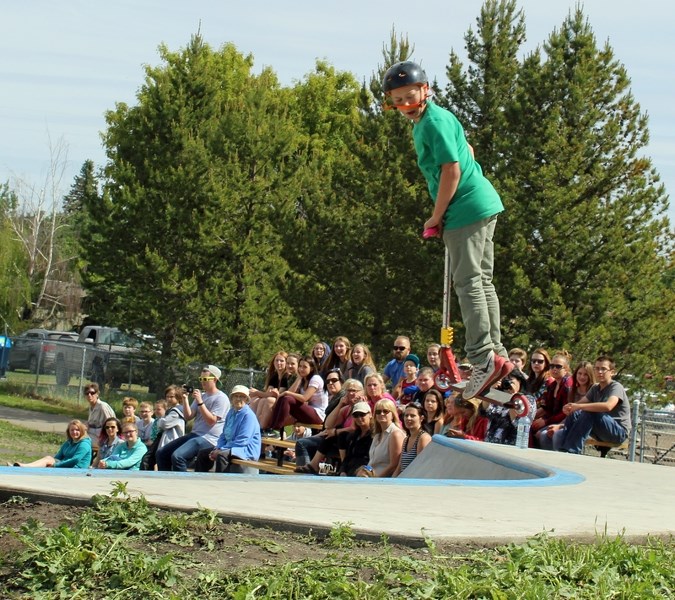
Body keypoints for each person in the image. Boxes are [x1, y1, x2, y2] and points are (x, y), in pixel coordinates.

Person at [383, 61, 510, 400]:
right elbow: (467, 151)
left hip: (465, 209)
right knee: (481, 280)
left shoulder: (431, 124)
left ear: (425, 90)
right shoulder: (437, 117)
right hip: (481, 203)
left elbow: (452, 170)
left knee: (468, 284)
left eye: (410, 97)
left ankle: (484, 357)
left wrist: (435, 217)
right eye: (397, 100)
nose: (405, 105)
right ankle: (497, 354)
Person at [156, 365, 229, 471]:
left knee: (178, 456)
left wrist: (200, 402)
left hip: (210, 438)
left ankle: (183, 483)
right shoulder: (202, 396)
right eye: (201, 379)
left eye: (205, 379)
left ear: (214, 379)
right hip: (195, 434)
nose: (202, 382)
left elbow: (211, 421)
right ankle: (168, 480)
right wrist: (185, 399)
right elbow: (188, 416)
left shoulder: (221, 398)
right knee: (161, 453)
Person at [556, 356, 632, 454]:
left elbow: (608, 406)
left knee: (590, 412)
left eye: (603, 369)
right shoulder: (595, 388)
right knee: (575, 413)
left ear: (612, 372)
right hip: (600, 430)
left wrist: (578, 407)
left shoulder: (616, 387)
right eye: (597, 368)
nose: (600, 372)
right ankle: (563, 448)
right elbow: (579, 404)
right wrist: (570, 407)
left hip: (618, 433)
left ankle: (571, 451)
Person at [294, 379, 364, 474]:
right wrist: (340, 404)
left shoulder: (362, 407)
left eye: (354, 391)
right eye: (348, 391)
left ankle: (311, 471)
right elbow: (328, 424)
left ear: (362, 392)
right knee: (302, 443)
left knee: (335, 435)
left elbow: (353, 428)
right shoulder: (346, 409)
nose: (351, 393)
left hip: (352, 443)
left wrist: (335, 432)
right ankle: (309, 470)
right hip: (338, 443)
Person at [195, 385, 262, 473]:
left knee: (222, 455)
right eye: (236, 396)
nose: (238, 399)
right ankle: (201, 479)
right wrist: (217, 448)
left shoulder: (248, 416)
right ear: (232, 398)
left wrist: (221, 449)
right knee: (202, 454)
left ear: (246, 399)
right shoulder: (231, 412)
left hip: (245, 450)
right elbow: (224, 435)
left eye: (241, 396)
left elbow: (243, 440)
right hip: (230, 447)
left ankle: (222, 482)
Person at [293, 369, 347, 468]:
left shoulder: (343, 398)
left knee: (302, 444)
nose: (330, 383)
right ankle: (311, 470)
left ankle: (305, 476)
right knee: (306, 442)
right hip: (328, 436)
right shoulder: (334, 398)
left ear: (342, 382)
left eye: (334, 380)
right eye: (327, 381)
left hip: (337, 440)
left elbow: (337, 422)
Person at [268, 356, 327, 430]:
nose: (301, 369)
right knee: (284, 398)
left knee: (287, 399)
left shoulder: (315, 379)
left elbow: (304, 398)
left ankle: (276, 429)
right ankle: (271, 428)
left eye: (305, 367)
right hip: (308, 412)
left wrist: (286, 392)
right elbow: (290, 392)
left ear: (311, 368)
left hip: (318, 415)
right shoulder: (303, 379)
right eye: (300, 366)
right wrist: (299, 378)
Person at [13, 420, 92, 468]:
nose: (74, 432)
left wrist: (56, 465)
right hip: (66, 466)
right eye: (72, 430)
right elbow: (58, 457)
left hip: (76, 468)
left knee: (48, 461)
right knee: (48, 459)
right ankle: (24, 467)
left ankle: (24, 467)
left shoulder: (84, 444)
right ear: (69, 431)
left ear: (81, 431)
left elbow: (75, 460)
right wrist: (53, 462)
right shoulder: (68, 443)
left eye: (77, 430)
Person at [356, 399, 404, 478]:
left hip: (384, 481)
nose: (381, 414)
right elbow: (373, 463)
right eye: (378, 412)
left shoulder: (395, 434)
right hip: (371, 478)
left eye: (385, 411)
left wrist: (375, 479)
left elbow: (394, 465)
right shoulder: (377, 435)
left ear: (393, 414)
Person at [532, 353, 573, 447]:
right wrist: (531, 417)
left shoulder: (568, 386)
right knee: (530, 428)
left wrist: (546, 421)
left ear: (566, 369)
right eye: (552, 366)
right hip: (553, 420)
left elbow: (565, 412)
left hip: (565, 422)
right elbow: (547, 408)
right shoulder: (552, 385)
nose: (554, 369)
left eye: (558, 366)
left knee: (542, 434)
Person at [482, 368, 529, 446]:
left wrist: (513, 398)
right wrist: (489, 390)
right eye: (504, 380)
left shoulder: (527, 400)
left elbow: (518, 424)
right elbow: (484, 411)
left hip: (510, 446)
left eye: (510, 380)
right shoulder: (498, 397)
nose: (507, 383)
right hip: (490, 444)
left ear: (519, 381)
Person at [249, 351, 290, 432]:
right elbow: (268, 393)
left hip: (283, 404)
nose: (278, 363)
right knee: (255, 399)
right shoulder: (274, 376)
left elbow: (276, 395)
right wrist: (257, 393)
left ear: (286, 363)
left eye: (281, 361)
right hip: (274, 400)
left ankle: (260, 428)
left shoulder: (286, 376)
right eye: (276, 360)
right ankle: (252, 425)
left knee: (268, 400)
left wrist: (257, 392)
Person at [393, 402, 432, 476]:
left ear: (421, 418)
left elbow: (420, 466)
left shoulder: (423, 438)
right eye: (406, 415)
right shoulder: (406, 439)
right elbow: (399, 467)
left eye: (412, 416)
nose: (408, 418)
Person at [337, 402, 374, 477]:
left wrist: (365, 472)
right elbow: (348, 457)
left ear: (370, 414)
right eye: (356, 415)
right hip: (350, 471)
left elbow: (373, 460)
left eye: (362, 414)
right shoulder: (354, 436)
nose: (359, 418)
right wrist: (342, 471)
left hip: (364, 473)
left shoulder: (374, 435)